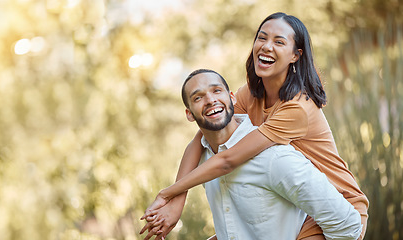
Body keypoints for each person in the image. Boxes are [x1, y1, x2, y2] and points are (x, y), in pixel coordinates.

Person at [141, 12, 368, 240]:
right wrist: (176, 203)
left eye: (279, 42)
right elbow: (199, 141)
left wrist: (167, 194)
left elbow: (228, 160)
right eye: (262, 38)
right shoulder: (251, 93)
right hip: (299, 206)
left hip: (338, 208)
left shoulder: (297, 108)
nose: (267, 46)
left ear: (295, 55)